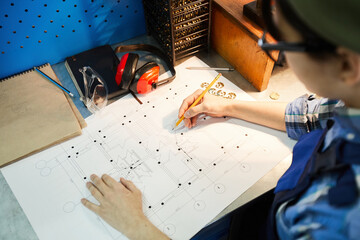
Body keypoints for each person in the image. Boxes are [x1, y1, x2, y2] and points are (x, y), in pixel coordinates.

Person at [81, 0, 360, 239]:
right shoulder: (352, 98)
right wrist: (228, 106)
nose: (272, 50)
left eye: (286, 41)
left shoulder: (337, 215)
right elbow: (313, 116)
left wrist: (136, 226)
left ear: (346, 65)